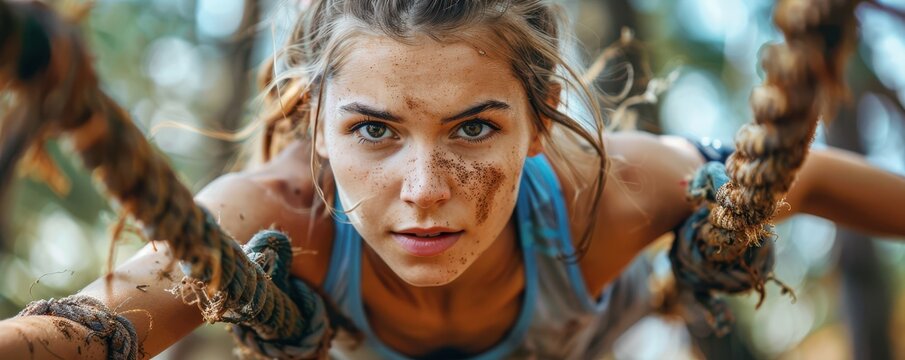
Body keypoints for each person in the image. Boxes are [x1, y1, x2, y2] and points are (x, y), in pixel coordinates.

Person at [1, 0, 904, 359]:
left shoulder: (611, 194)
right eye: (372, 131)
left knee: (651, 299)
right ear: (315, 121)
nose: (425, 188)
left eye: (474, 126)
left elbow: (819, 179)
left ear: (541, 117)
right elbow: (83, 332)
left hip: (608, 315)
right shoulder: (270, 218)